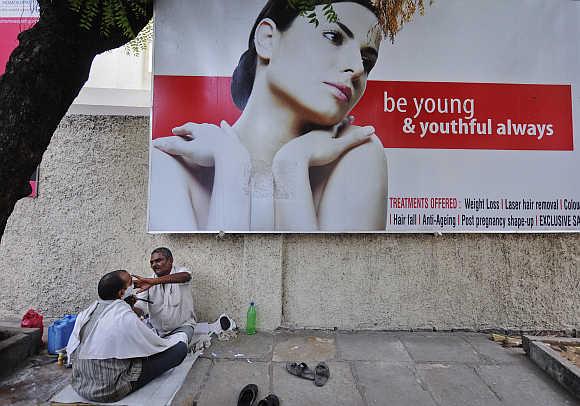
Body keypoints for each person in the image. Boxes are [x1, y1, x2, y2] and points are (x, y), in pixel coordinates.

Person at [150, 0, 387, 231]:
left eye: (367, 61)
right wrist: (231, 160)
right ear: (268, 39)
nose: (357, 68)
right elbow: (214, 269)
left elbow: (327, 270)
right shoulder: (170, 161)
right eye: (333, 37)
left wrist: (291, 164)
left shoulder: (358, 153)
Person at [66, 270, 192, 403]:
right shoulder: (124, 316)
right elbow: (152, 347)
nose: (135, 284)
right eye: (131, 283)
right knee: (179, 350)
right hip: (109, 389)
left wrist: (129, 305)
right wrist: (168, 342)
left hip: (80, 385)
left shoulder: (86, 313)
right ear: (121, 293)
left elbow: (186, 276)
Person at [133, 247, 197, 338]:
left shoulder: (181, 272)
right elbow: (140, 308)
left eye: (158, 260)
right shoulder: (147, 283)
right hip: (156, 331)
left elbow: (186, 277)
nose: (154, 265)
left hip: (181, 328)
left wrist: (154, 282)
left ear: (170, 260)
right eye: (152, 262)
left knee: (179, 349)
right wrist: (130, 307)